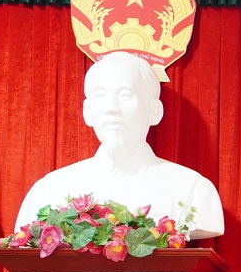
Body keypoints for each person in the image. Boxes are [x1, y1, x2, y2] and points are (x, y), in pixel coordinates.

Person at [14, 51, 224, 240]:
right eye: (100, 96)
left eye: (125, 95)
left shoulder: (193, 190)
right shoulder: (50, 190)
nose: (111, 108)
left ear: (155, 111)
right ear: (87, 111)